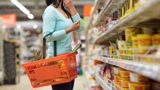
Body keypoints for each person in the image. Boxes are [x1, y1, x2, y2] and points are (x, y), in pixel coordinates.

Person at [43, 0, 81, 90]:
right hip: (58, 61)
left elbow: (78, 26)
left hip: (68, 58)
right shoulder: (50, 11)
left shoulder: (65, 10)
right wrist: (69, 30)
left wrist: (71, 7)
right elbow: (47, 37)